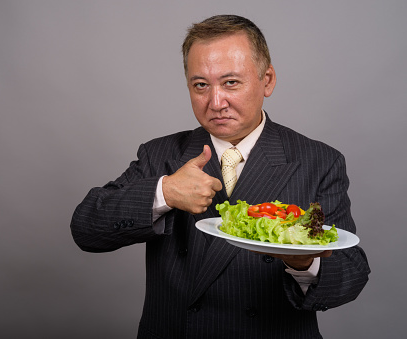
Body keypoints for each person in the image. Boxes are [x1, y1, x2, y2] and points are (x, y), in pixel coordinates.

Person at [71, 15, 370, 338]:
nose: (216, 102)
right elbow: (86, 229)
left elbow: (350, 276)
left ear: (266, 80)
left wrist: (302, 262)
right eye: (201, 85)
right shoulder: (160, 155)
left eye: (231, 83)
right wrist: (165, 192)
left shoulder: (318, 161)